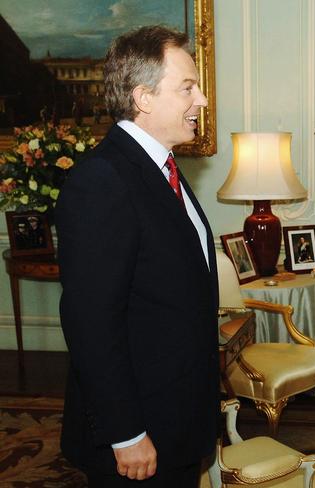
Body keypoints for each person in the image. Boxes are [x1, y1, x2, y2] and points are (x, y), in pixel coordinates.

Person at [56, 25, 219, 487]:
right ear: (143, 97)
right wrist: (125, 433)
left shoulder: (162, 166)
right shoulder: (103, 180)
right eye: (187, 87)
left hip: (178, 422)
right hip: (138, 433)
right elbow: (91, 322)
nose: (201, 101)